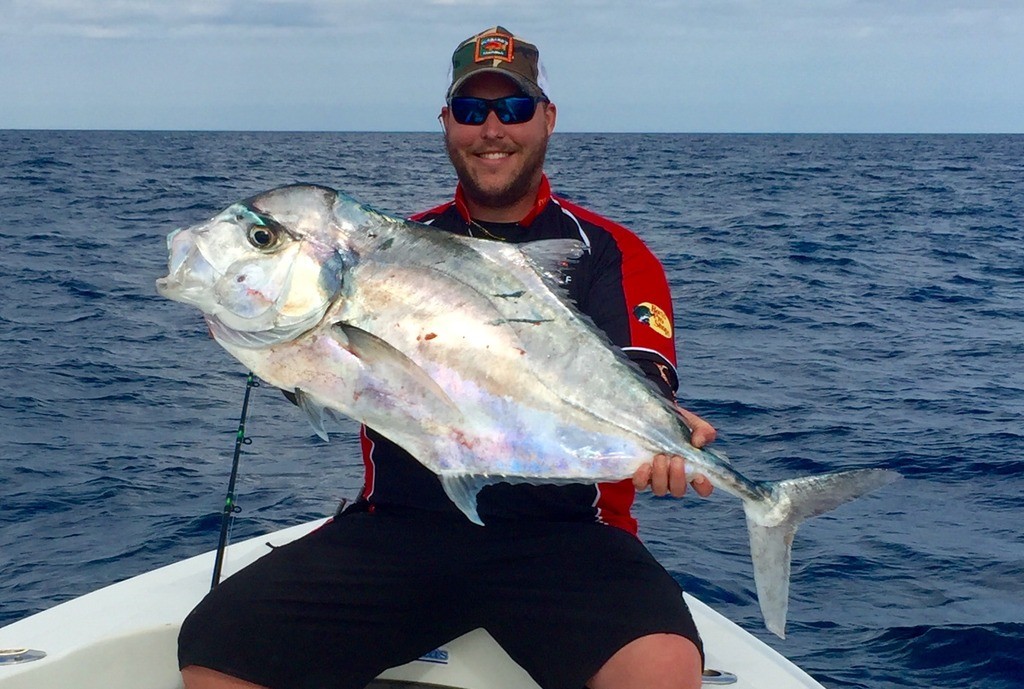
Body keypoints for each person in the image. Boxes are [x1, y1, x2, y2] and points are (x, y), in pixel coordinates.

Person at [178, 26, 717, 689]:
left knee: (662, 671)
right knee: (214, 646)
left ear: (547, 118)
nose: (492, 128)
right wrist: (261, 331)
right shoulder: (393, 248)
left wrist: (663, 430)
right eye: (471, 110)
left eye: (513, 108)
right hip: (400, 529)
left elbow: (640, 378)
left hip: (569, 537)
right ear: (447, 122)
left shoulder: (606, 250)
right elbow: (331, 367)